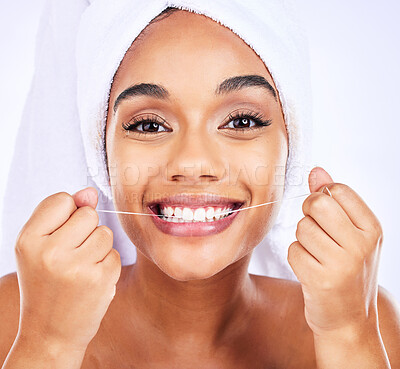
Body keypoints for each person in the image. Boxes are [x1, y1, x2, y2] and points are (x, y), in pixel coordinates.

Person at [1, 4, 400, 369]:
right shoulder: (19, 318)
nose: (193, 163)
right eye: (149, 125)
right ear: (101, 158)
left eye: (242, 121)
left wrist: (348, 336)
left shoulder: (362, 320)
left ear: (292, 148)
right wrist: (47, 345)